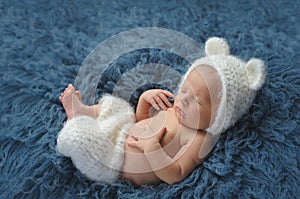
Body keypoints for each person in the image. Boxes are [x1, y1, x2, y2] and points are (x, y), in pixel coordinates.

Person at [57, 37, 266, 185]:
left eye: (198, 101)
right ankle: (84, 111)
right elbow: (140, 122)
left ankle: (76, 121)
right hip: (122, 133)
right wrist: (144, 102)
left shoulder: (198, 139)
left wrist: (151, 148)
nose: (183, 100)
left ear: (219, 118)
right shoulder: (175, 109)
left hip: (114, 163)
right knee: (116, 106)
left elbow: (175, 174)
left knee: (80, 139)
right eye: (185, 89)